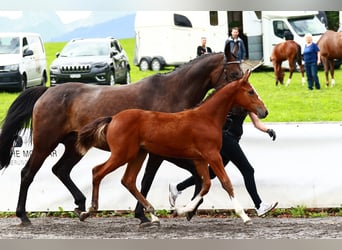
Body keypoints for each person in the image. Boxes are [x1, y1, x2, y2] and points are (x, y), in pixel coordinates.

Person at [169, 105, 278, 217]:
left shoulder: (248, 99)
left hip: (232, 139)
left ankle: (177, 187)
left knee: (211, 173)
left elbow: (257, 122)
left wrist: (268, 130)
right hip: (227, 138)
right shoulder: (234, 99)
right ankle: (259, 205)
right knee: (248, 170)